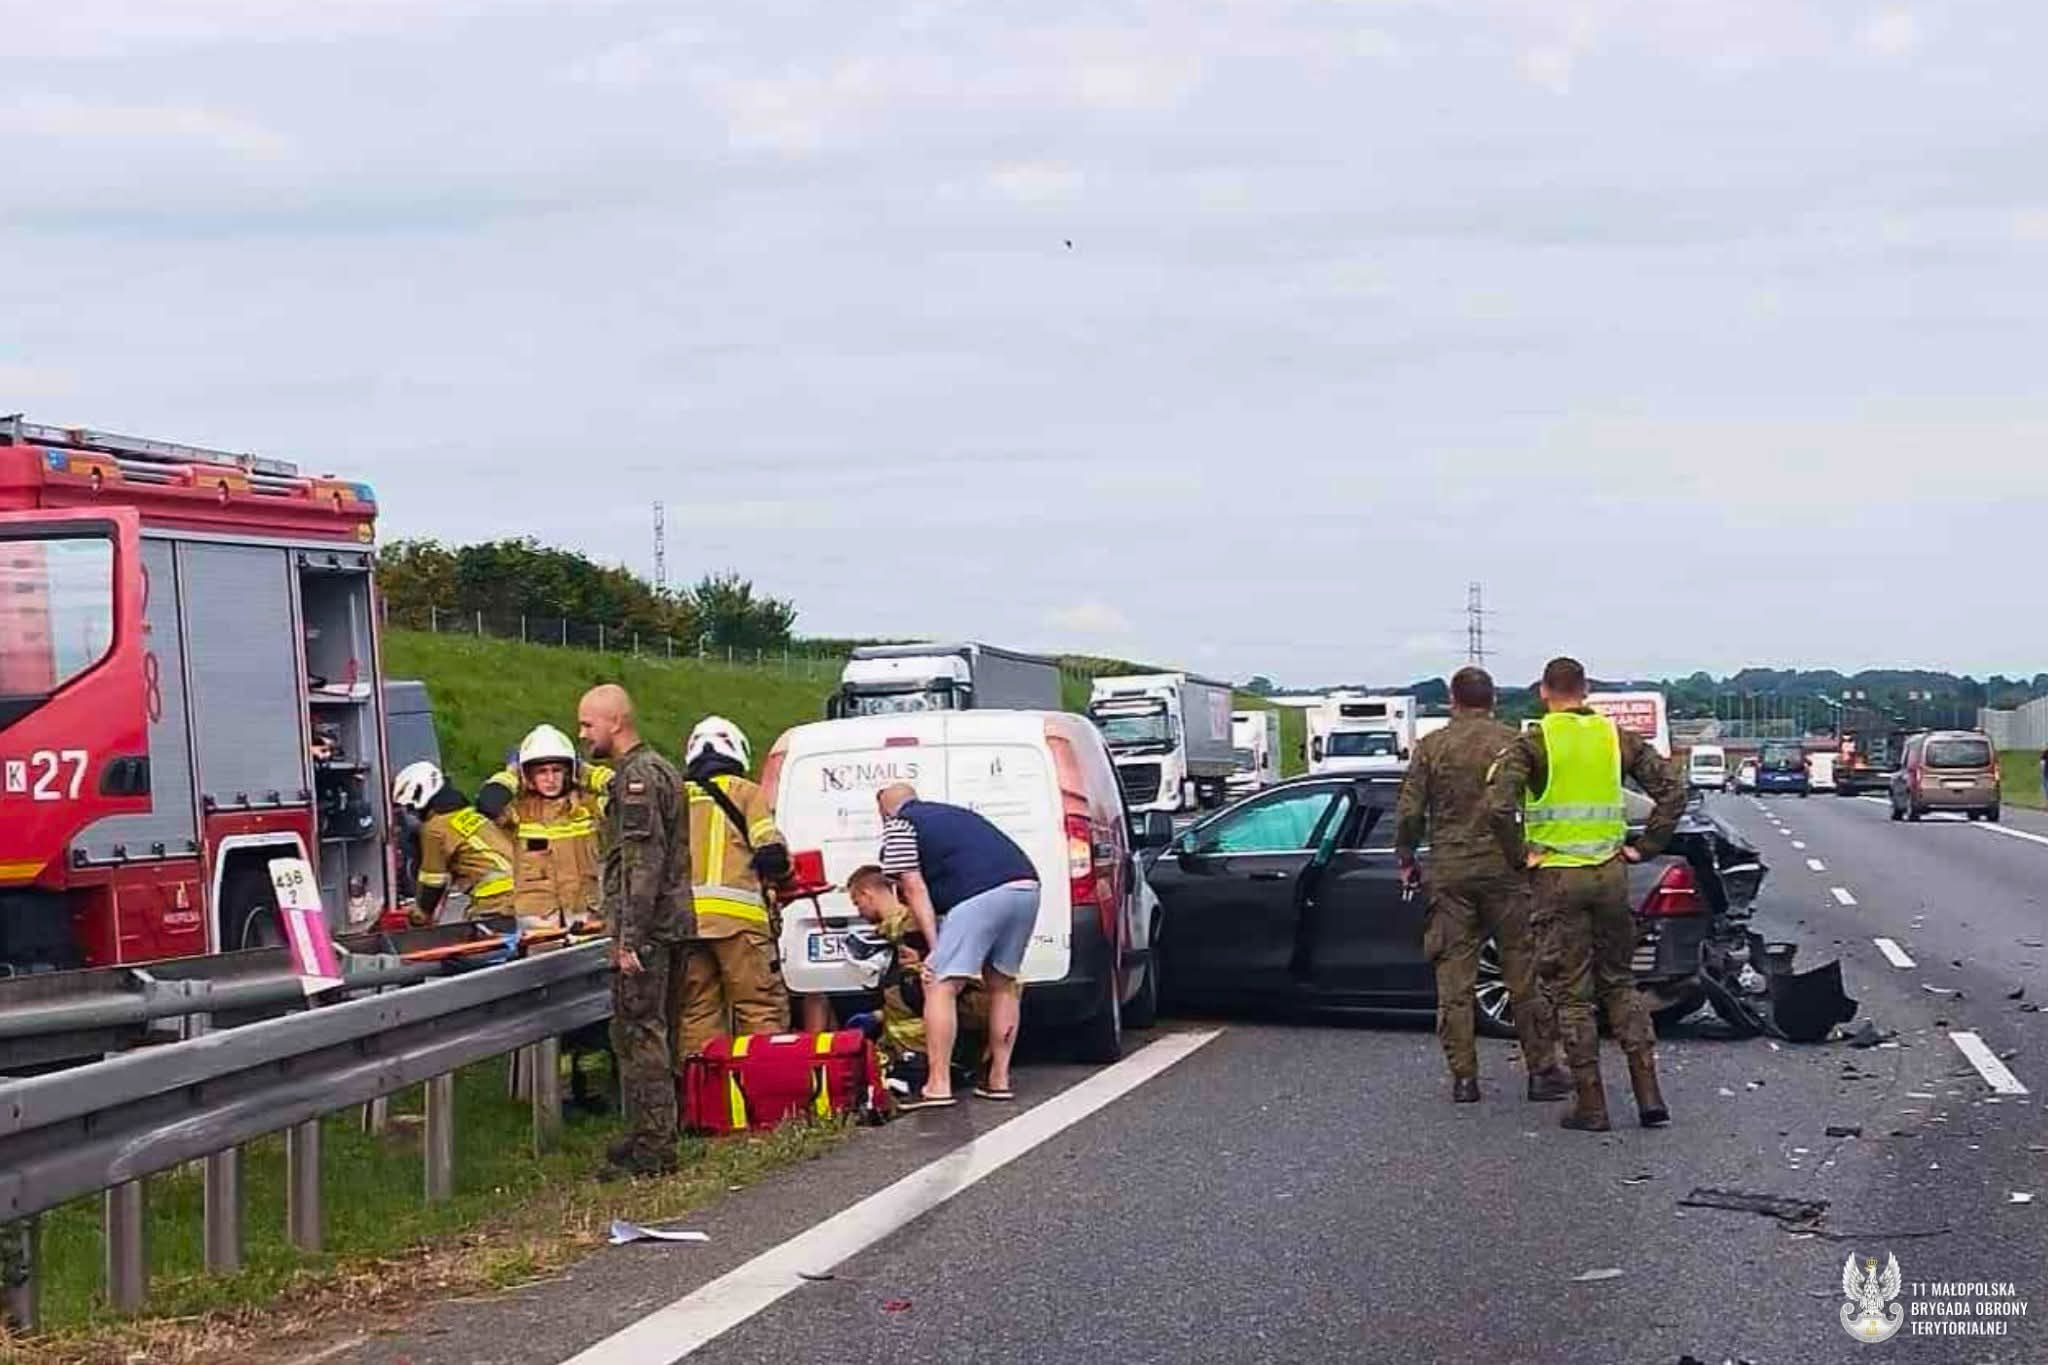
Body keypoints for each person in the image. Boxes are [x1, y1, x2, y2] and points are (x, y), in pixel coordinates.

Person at [1488, 657, 1686, 1132]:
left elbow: (1498, 806)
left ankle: (1591, 1104)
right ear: (1587, 689)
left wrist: (1521, 856)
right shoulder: (1614, 738)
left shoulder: (1533, 742)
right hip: (1610, 873)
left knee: (1572, 993)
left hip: (1557, 876)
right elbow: (1672, 789)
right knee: (1619, 981)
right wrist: (1647, 846)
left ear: (1543, 691)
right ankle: (1648, 1093)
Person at [1395, 666, 1568, 1105]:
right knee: (1522, 973)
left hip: (1450, 871)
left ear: (1453, 699)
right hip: (1505, 870)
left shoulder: (1431, 747)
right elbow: (1541, 798)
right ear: (1493, 700)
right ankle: (1541, 1070)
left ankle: (1464, 1078)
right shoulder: (1514, 742)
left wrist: (1406, 856)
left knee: (1454, 977)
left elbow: (1410, 813)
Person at [579, 684, 693, 1179]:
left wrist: (628, 939)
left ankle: (654, 1148)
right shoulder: (662, 769)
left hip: (647, 930)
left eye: (588, 725)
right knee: (655, 1030)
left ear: (616, 722)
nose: (583, 735)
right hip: (669, 926)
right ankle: (653, 1132)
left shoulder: (637, 781)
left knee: (639, 1033)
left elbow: (642, 866)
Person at [875, 783, 1037, 1109]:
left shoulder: (901, 823)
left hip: (979, 894)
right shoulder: (952, 815)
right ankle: (999, 1080)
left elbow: (913, 885)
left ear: (884, 810)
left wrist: (934, 949)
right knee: (1002, 983)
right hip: (1026, 886)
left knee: (939, 983)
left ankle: (937, 1086)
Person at [676, 715, 793, 1057]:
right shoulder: (746, 792)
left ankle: (706, 1100)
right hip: (738, 925)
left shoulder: (677, 798)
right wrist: (784, 874)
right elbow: (770, 852)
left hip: (686, 925)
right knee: (759, 1007)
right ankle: (766, 1099)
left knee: (697, 1012)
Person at [845, 864, 993, 1063]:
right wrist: (879, 1017)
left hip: (960, 1015)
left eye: (857, 902)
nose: (859, 911)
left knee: (906, 985)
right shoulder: (897, 931)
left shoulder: (912, 926)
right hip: (943, 1022)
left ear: (867, 894)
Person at [476, 723, 610, 932]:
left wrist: (586, 773)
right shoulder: (518, 813)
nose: (550, 779)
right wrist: (513, 773)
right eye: (542, 772)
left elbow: (626, 795)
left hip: (585, 915)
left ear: (570, 771)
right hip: (539, 922)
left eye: (557, 770)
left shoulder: (586, 806)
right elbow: (488, 801)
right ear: (528, 775)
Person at [390, 761, 516, 923]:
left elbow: (433, 882)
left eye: (409, 808)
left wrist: (419, 915)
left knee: (475, 941)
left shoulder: (435, 829)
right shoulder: (467, 814)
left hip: (498, 901)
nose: (410, 815)